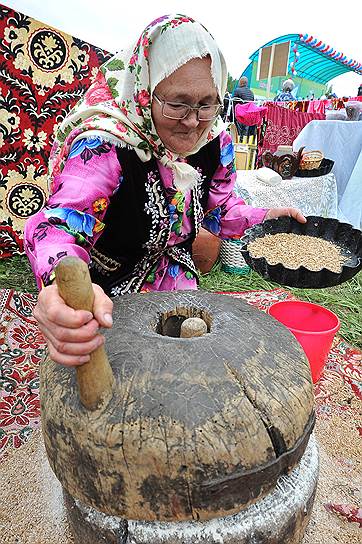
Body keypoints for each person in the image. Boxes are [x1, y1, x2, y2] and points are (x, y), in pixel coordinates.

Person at [25, 14, 306, 367]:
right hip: (106, 290)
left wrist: (265, 219)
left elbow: (220, 208)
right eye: (177, 103)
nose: (193, 121)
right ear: (145, 92)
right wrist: (60, 286)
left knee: (185, 364)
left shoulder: (214, 141)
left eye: (206, 102)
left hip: (171, 274)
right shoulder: (106, 146)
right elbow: (58, 225)